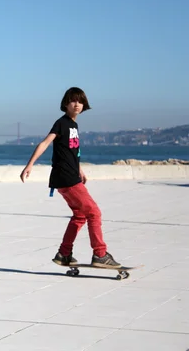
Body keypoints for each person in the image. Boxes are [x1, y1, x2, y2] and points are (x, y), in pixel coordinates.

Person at [19, 87, 121, 268]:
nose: (77, 104)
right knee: (94, 213)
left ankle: (64, 254)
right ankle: (100, 254)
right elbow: (45, 143)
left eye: (80, 101)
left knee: (80, 215)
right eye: (73, 101)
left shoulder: (74, 125)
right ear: (65, 104)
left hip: (70, 176)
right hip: (65, 177)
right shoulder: (62, 123)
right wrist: (30, 164)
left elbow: (73, 151)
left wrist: (79, 169)